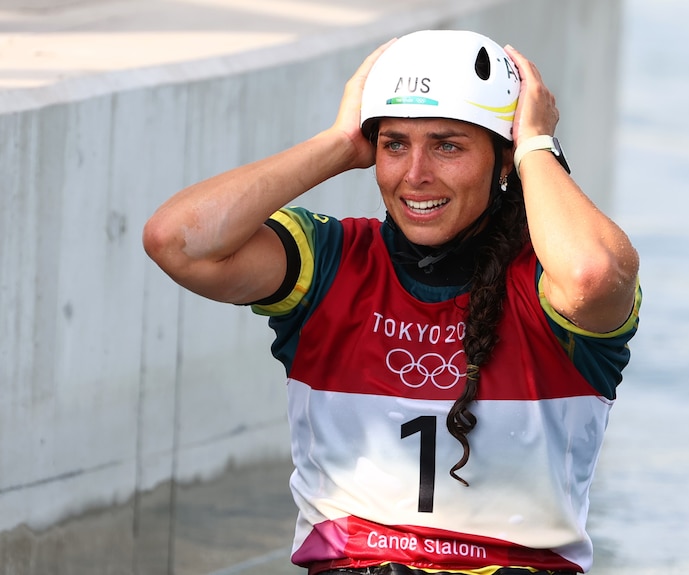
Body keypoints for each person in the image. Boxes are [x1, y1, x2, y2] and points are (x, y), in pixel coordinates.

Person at [143, 29, 640, 575]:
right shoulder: (329, 259)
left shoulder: (551, 285)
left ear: (503, 160)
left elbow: (593, 276)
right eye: (394, 144)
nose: (415, 174)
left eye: (448, 145)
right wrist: (337, 143)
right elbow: (178, 242)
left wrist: (535, 145)